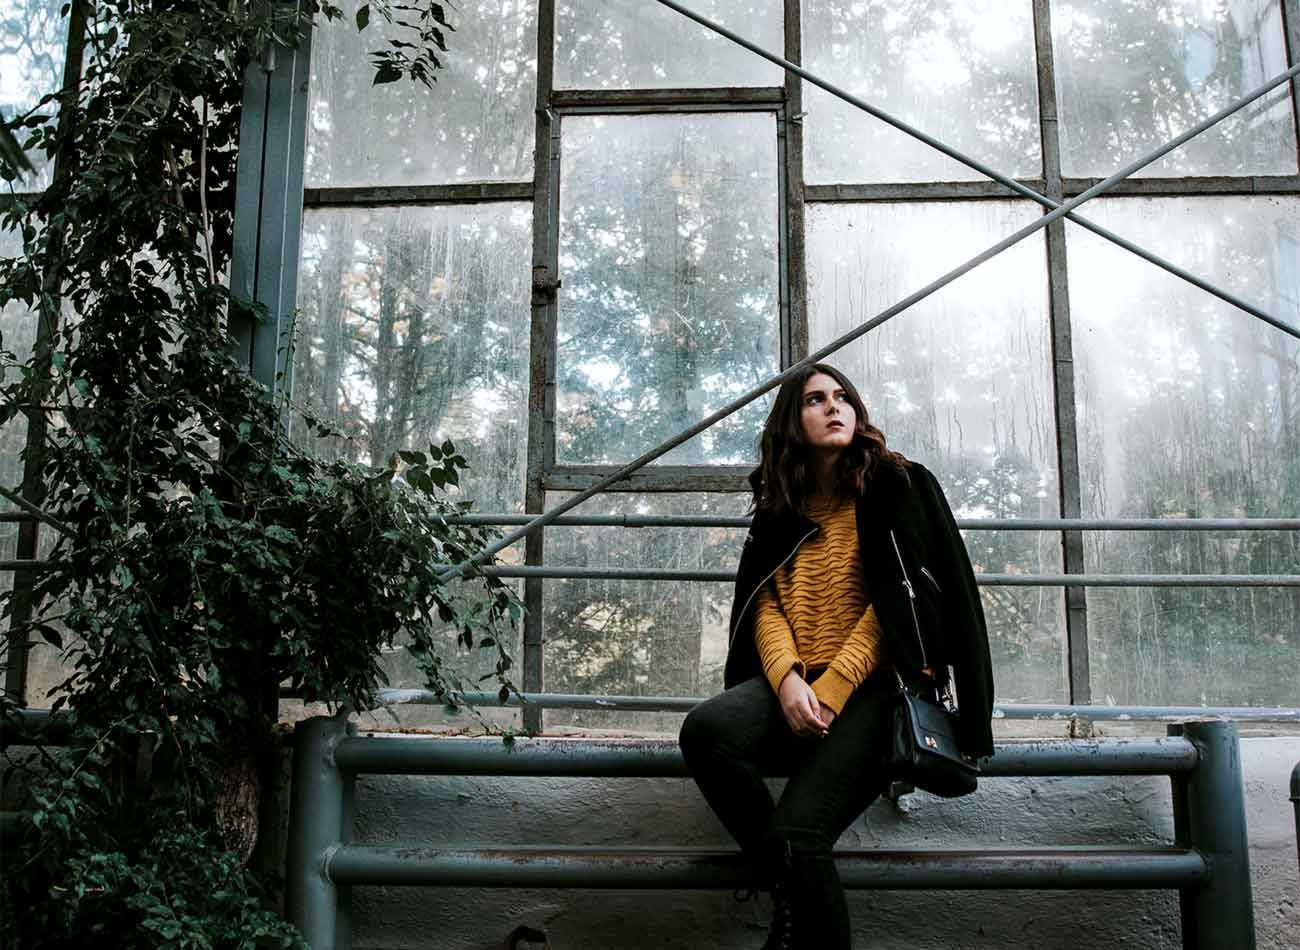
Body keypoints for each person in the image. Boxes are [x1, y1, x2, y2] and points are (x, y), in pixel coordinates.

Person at [678, 363, 994, 949]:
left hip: (879, 688)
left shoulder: (899, 485)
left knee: (801, 835)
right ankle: (789, 892)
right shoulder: (779, 508)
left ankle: (792, 906)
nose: (833, 406)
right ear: (790, 422)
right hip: (801, 681)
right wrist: (787, 681)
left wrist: (834, 686)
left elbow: (903, 604)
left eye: (842, 396)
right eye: (815, 399)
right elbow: (767, 606)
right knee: (707, 731)